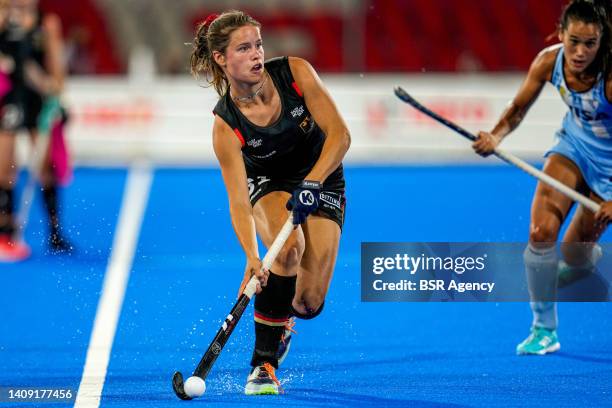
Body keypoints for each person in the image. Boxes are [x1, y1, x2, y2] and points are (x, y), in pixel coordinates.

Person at [189, 10, 350, 395]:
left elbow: (340, 136)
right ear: (221, 59)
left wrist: (312, 181)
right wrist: (250, 256)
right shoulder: (225, 124)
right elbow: (239, 202)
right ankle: (263, 364)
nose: (257, 54)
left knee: (309, 303)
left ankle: (283, 320)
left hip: (322, 173)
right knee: (287, 251)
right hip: (270, 183)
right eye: (244, 48)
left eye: (258, 45)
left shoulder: (295, 73)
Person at [473, 0, 612, 355]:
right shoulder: (549, 61)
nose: (580, 52)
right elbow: (517, 108)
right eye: (574, 41)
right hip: (573, 149)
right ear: (561, 34)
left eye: (590, 43)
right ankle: (544, 329)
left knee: (573, 256)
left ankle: (581, 261)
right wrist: (496, 136)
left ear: (602, 41)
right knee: (540, 234)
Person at [0, 0, 72, 261]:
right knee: (5, 166)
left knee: (46, 168)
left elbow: (55, 62)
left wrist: (57, 95)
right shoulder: (4, 18)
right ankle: (5, 232)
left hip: (37, 101)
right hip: (9, 99)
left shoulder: (46, 23)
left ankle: (54, 232)